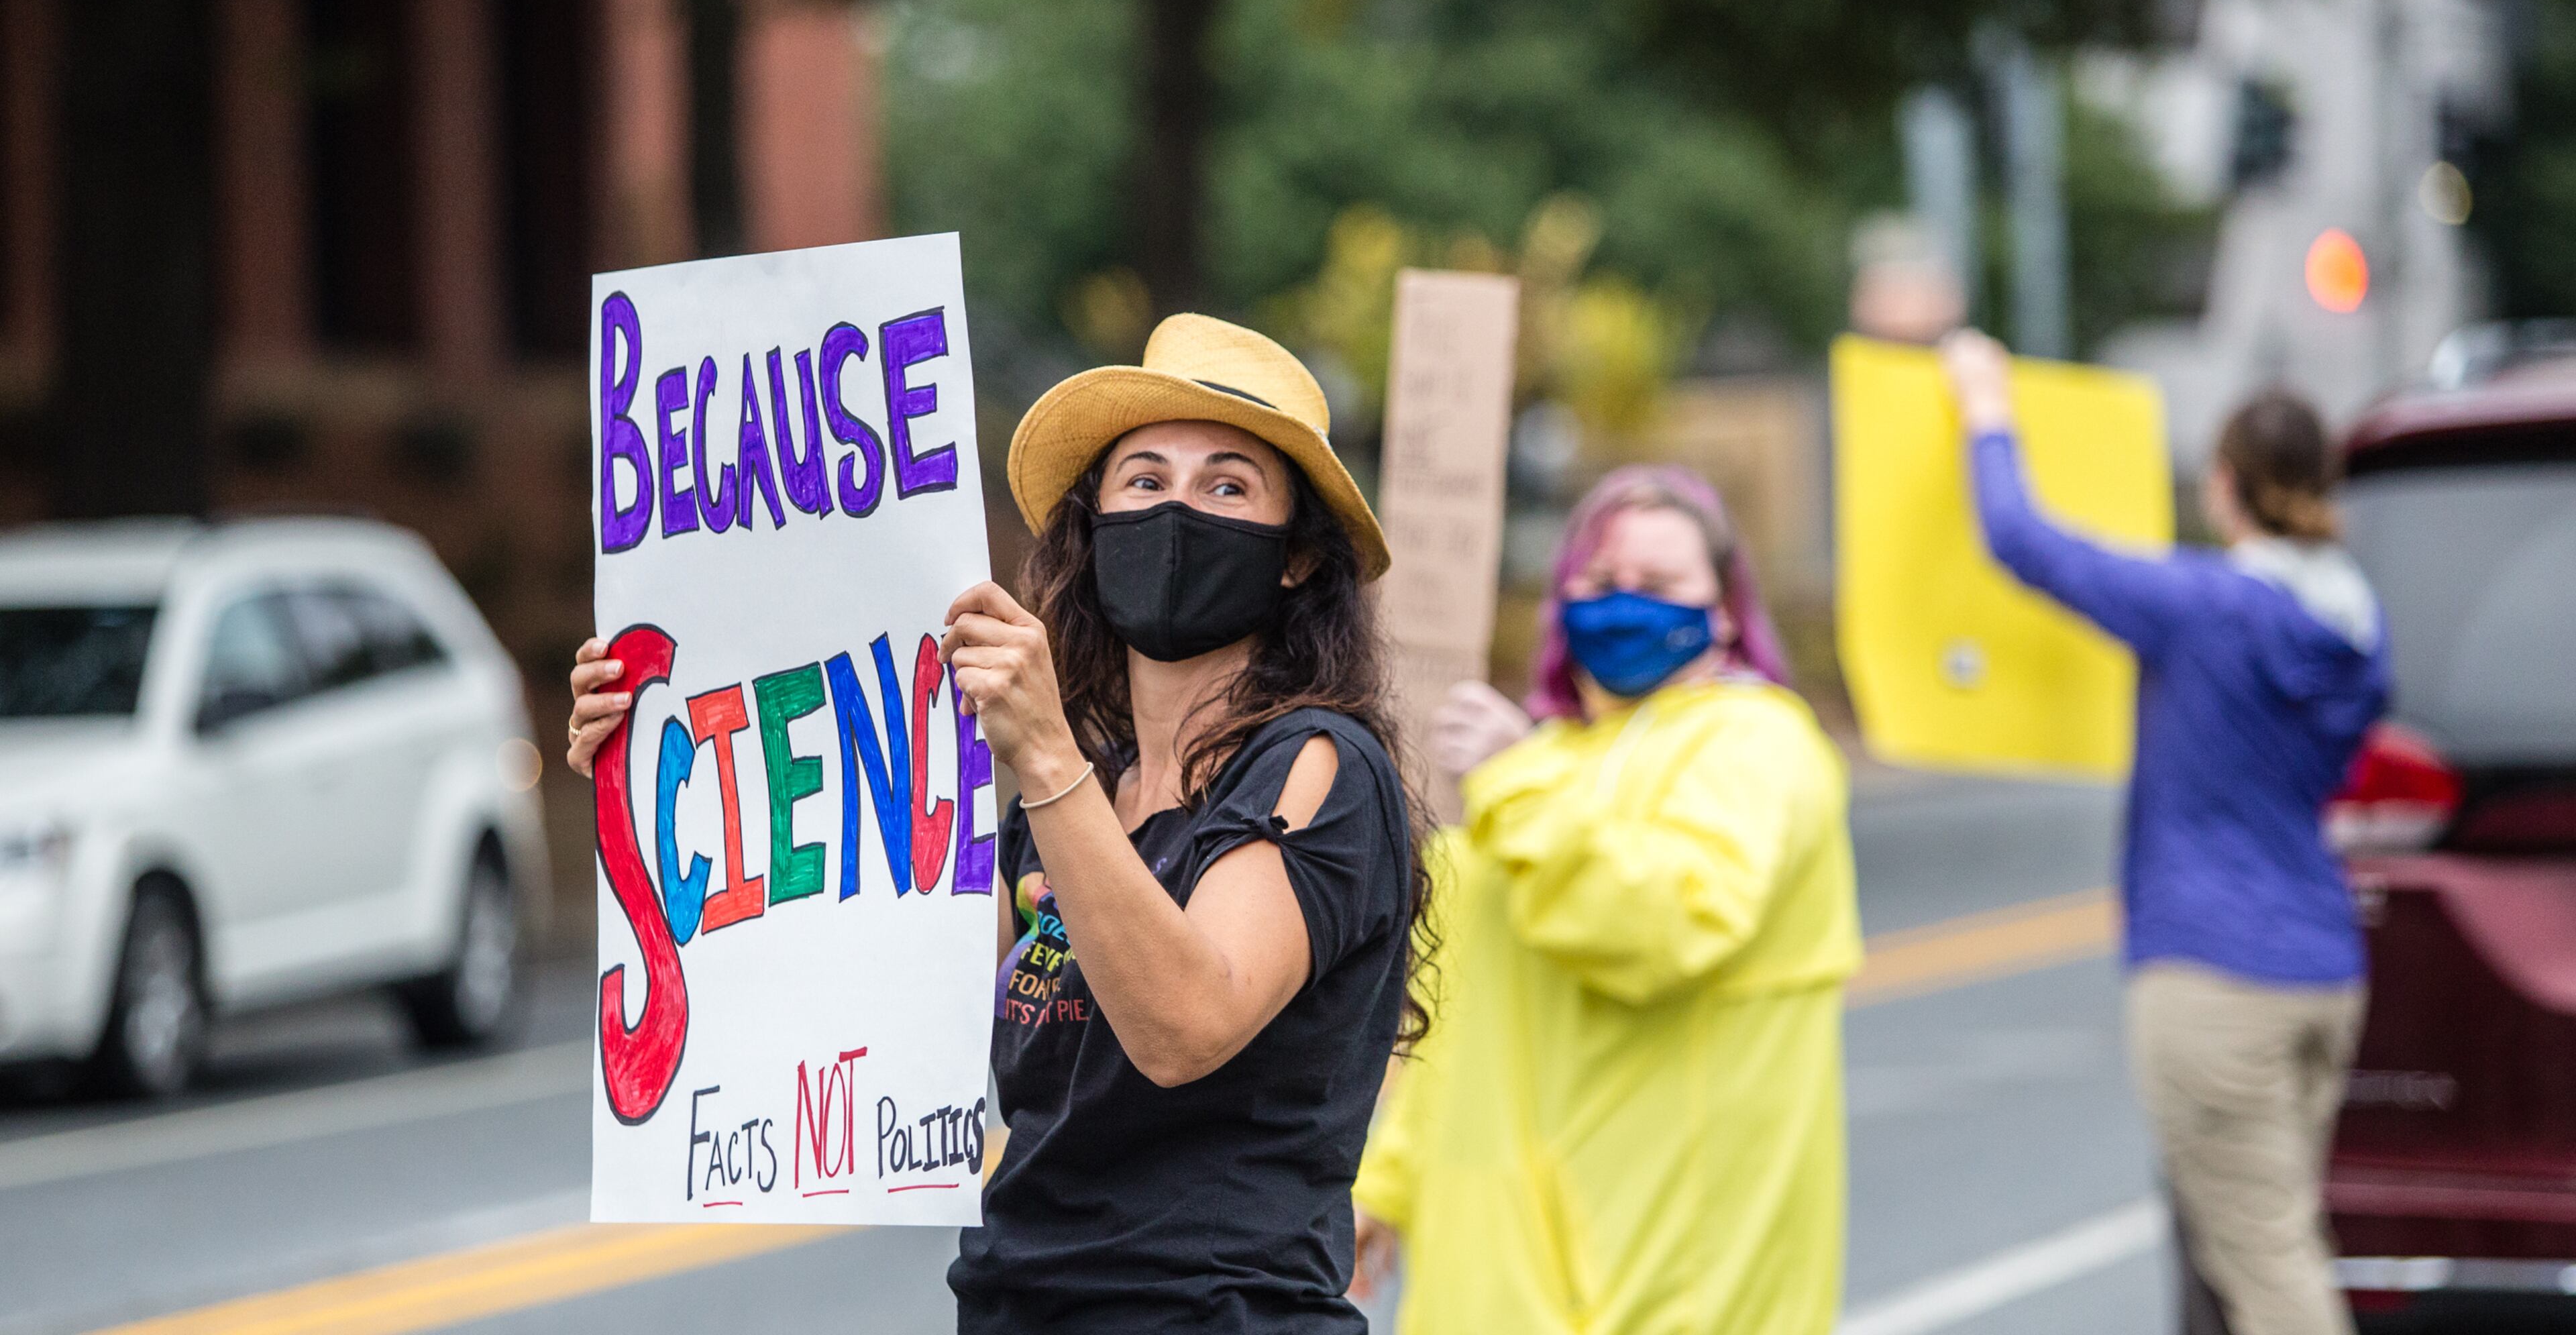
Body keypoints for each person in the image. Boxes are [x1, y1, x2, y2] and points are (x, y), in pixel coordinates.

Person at [568, 313, 1429, 1334]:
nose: (1178, 510)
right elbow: (876, 999)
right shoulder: (1071, 804)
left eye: (1227, 486)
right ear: (1096, 530)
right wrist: (667, 780)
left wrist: (1047, 757)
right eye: (1144, 481)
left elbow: (1186, 1026)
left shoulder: (1319, 767)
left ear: (1293, 559)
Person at [1939, 329, 2389, 1335]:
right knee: (2256, 1239)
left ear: (2225, 486)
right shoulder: (2359, 626)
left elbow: (2024, 540)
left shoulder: (2203, 608)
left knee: (2268, 1265)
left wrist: (1986, 409)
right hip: (2323, 968)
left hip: (2211, 972)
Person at [1348, 465, 1861, 1335]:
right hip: (1500, 1266)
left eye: (1660, 585)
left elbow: (1664, 924)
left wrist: (1519, 781)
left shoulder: (1758, 744)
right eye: (1600, 583)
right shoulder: (1546, 760)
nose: (1625, 605)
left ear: (1726, 608)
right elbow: (1461, 1016)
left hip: (1670, 1274)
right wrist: (1386, 1185)